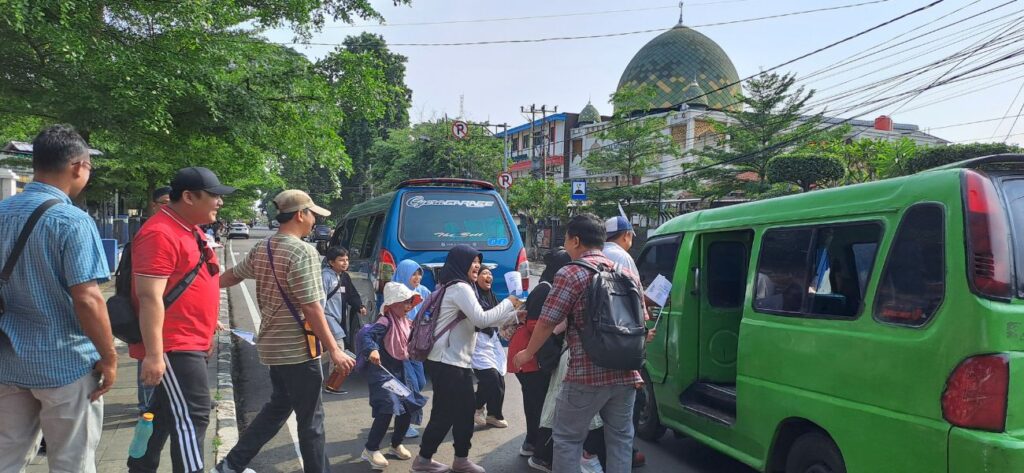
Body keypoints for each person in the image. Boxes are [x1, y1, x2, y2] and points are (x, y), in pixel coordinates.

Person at [0, 124, 116, 473]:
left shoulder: (2, 212)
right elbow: (88, 299)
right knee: (71, 462)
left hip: (8, 360)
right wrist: (109, 358)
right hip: (65, 364)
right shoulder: (73, 221)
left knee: (6, 455)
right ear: (78, 166)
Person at [215, 190, 355, 473]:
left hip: (272, 347)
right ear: (300, 214)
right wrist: (336, 349)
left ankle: (231, 464)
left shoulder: (263, 247)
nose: (315, 220)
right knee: (311, 422)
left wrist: (199, 291)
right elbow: (312, 307)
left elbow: (230, 277)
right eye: (313, 213)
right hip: (298, 350)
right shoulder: (303, 251)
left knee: (278, 408)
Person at [514, 213, 645, 473]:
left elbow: (547, 321)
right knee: (620, 439)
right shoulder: (626, 273)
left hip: (586, 374)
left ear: (575, 240)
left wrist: (527, 353)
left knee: (567, 439)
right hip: (626, 374)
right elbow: (642, 319)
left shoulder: (571, 272)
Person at [127, 166, 235, 473]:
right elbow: (149, 297)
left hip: (191, 341)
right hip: (174, 344)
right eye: (214, 195)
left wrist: (207, 334)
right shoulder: (159, 233)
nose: (219, 202)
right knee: (194, 415)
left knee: (161, 414)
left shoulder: (189, 229)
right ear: (188, 196)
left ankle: (139, 466)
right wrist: (153, 354)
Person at [412, 245, 523, 473]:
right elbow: (482, 320)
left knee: (455, 411)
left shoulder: (459, 287)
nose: (477, 266)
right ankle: (439, 460)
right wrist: (509, 302)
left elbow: (481, 321)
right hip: (447, 360)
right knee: (455, 411)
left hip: (452, 360)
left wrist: (513, 315)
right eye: (472, 262)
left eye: (477, 262)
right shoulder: (460, 288)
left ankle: (442, 459)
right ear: (461, 264)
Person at [357, 282, 428, 470]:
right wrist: (372, 349)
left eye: (410, 302)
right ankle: (371, 449)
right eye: (404, 302)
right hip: (382, 371)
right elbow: (367, 337)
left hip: (401, 369)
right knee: (388, 407)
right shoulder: (385, 321)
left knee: (407, 406)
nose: (408, 306)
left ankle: (396, 444)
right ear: (392, 304)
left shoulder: (405, 322)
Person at [508, 249, 571, 460]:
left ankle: (532, 442)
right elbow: (535, 324)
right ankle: (534, 445)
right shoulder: (545, 290)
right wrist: (560, 326)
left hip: (530, 354)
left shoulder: (547, 287)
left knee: (535, 401)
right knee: (538, 403)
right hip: (529, 356)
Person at [603, 215, 647, 468]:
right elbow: (635, 297)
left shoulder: (599, 252)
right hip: (624, 337)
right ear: (626, 235)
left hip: (602, 339)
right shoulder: (623, 256)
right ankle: (627, 453)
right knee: (629, 400)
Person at [393, 259, 431, 438]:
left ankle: (398, 412)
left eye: (419, 273)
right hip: (400, 347)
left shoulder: (423, 292)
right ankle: (405, 424)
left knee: (421, 382)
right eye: (413, 274)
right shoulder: (395, 293)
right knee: (411, 386)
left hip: (417, 346)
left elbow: (432, 309)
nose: (417, 278)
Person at [321, 246, 366, 394]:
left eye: (346, 260)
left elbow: (352, 293)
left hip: (338, 319)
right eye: (341, 260)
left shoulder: (344, 277)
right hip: (327, 318)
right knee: (338, 347)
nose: (345, 263)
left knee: (328, 349)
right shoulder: (325, 277)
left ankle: (319, 379)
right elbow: (319, 300)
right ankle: (332, 384)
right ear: (331, 262)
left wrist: (359, 306)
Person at [471, 267, 509, 429]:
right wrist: (509, 304)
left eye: (490, 274)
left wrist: (515, 315)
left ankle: (494, 414)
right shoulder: (472, 296)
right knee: (491, 377)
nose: (489, 277)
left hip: (491, 341)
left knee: (498, 378)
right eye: (484, 273)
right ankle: (474, 407)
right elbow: (485, 316)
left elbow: (499, 316)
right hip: (476, 342)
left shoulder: (491, 296)